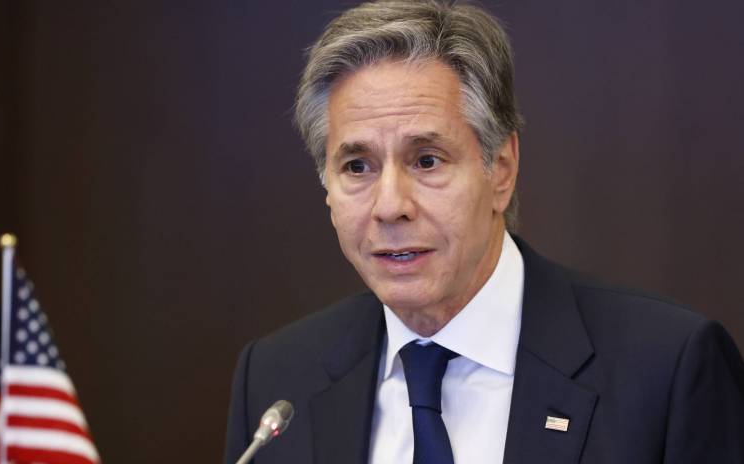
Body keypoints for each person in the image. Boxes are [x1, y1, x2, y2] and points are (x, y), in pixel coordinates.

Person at [223, 1, 744, 463]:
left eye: (426, 160)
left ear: (501, 168)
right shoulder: (276, 380)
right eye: (357, 167)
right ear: (328, 189)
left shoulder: (667, 369)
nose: (389, 207)